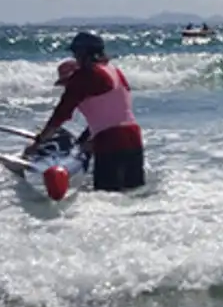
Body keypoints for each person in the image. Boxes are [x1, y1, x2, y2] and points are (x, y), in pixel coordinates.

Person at [29, 31, 146, 191]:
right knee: (133, 193)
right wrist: (87, 138)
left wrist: (38, 143)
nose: (75, 57)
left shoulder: (84, 76)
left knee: (107, 197)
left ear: (84, 53)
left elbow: (60, 115)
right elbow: (113, 112)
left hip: (109, 141)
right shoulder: (114, 71)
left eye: (76, 53)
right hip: (134, 136)